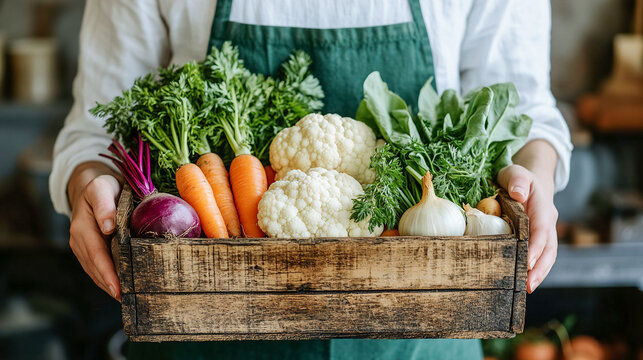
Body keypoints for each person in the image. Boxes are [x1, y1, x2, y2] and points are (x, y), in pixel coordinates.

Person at [50, 0, 572, 359]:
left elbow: (525, 110)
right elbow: (95, 129)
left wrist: (537, 180)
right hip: (205, 333)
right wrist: (87, 182)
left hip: (419, 338)